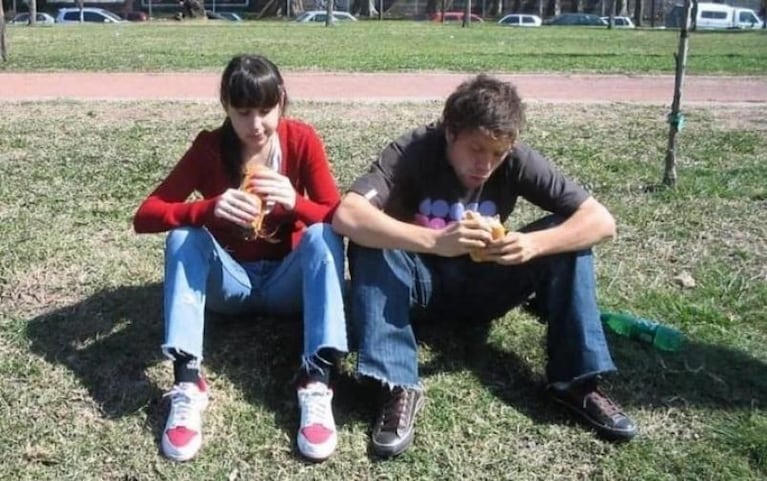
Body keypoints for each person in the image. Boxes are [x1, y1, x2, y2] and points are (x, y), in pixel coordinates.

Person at [332, 74, 637, 458]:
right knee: (371, 243)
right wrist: (434, 242)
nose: (486, 164)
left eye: (497, 154)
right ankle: (396, 385)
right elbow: (348, 215)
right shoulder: (414, 150)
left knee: (568, 238)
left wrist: (532, 244)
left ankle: (574, 382)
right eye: (476, 149)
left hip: (488, 285)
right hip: (417, 289)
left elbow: (601, 221)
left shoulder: (516, 159)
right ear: (450, 132)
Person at [133, 54, 347, 463]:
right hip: (230, 285)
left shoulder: (302, 140)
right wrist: (206, 209)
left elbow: (338, 217)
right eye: (243, 112)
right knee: (183, 236)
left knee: (322, 235)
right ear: (225, 107)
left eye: (266, 111)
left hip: (289, 285)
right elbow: (146, 215)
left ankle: (317, 379)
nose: (256, 125)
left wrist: (296, 203)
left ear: (282, 100)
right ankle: (188, 381)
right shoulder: (209, 147)